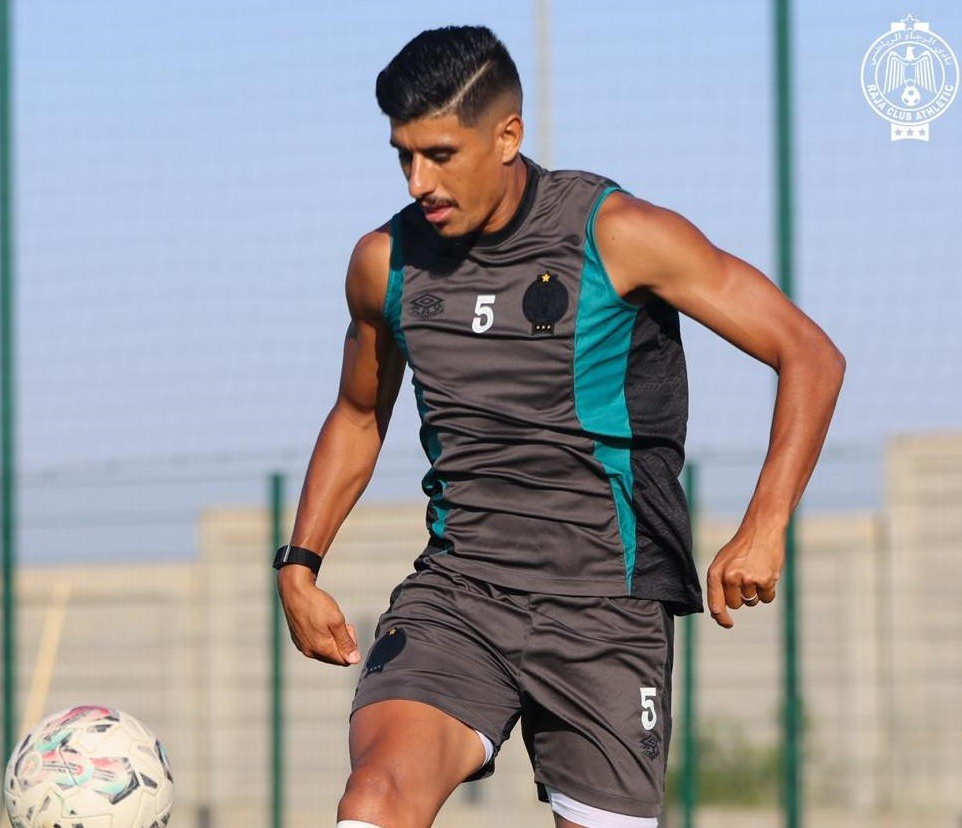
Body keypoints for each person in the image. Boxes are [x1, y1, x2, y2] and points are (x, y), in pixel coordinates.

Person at [275, 24, 844, 828]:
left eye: (440, 154)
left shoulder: (619, 235)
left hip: (606, 612)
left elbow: (809, 354)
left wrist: (765, 524)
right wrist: (299, 564)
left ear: (508, 135)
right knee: (373, 799)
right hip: (460, 595)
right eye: (404, 156)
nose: (418, 181)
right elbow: (359, 413)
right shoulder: (385, 263)